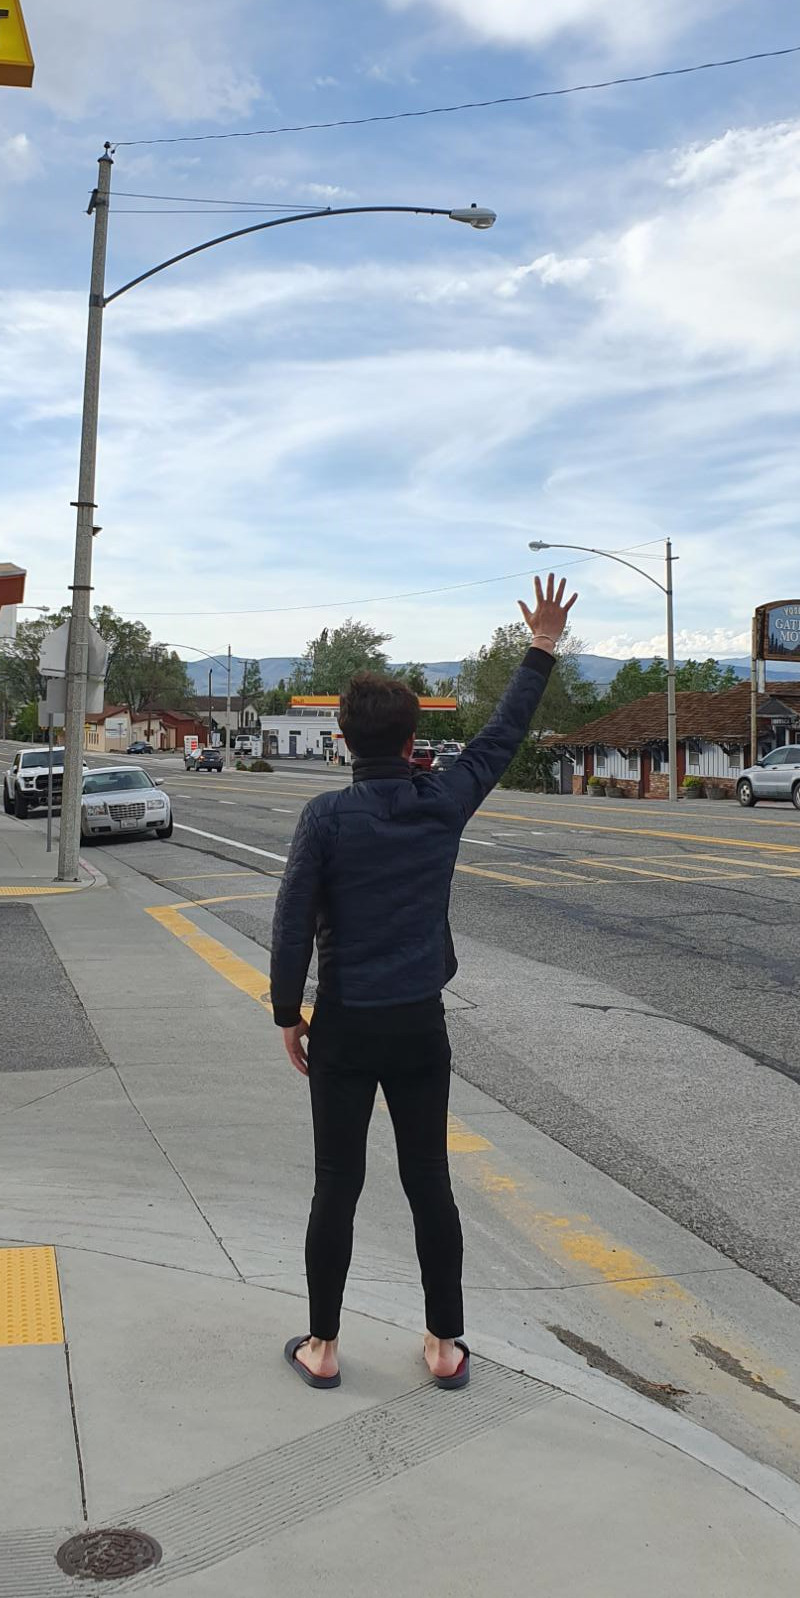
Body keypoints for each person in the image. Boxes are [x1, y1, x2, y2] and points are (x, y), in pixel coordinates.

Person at [271, 574, 575, 1392]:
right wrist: (540, 648)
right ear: (413, 742)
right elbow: (502, 736)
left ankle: (324, 1347)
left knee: (337, 1185)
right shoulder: (443, 800)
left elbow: (292, 920)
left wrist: (288, 1013)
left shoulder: (324, 818)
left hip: (344, 1024)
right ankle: (444, 1345)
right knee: (429, 1182)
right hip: (417, 1023)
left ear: (343, 740)